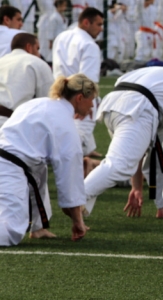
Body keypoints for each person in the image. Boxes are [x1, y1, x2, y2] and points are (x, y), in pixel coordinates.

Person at [83, 67, 163, 216]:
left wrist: (136, 187)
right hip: (138, 109)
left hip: (114, 104)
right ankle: (77, 199)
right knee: (119, 165)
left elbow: (141, 153)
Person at [0, 73, 96, 246]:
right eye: (92, 100)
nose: (92, 106)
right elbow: (69, 180)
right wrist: (77, 221)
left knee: (38, 169)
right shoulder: (66, 127)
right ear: (80, 98)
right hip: (8, 167)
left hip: (11, 161)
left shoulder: (37, 103)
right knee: (9, 231)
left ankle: (38, 227)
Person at [52, 7, 103, 157]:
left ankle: (89, 149)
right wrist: (85, 101)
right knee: (77, 138)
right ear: (86, 22)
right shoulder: (89, 45)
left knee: (66, 126)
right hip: (80, 96)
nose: (101, 29)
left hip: (60, 92)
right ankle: (80, 154)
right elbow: (87, 80)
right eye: (98, 24)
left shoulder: (62, 36)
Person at [0, 33, 54, 127]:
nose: (39, 54)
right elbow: (48, 102)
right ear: (29, 47)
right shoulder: (37, 63)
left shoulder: (1, 61)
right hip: (14, 125)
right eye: (37, 48)